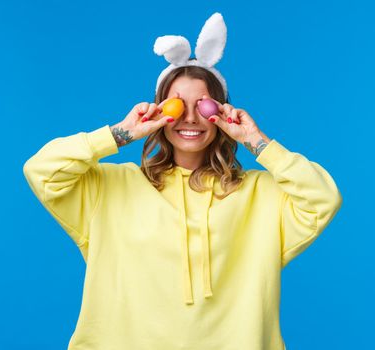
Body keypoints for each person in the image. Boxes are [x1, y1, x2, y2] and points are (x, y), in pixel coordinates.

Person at [23, 12, 342, 350]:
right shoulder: (110, 187)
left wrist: (256, 141)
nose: (189, 118)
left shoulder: (259, 194)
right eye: (177, 105)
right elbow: (42, 170)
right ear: (159, 111)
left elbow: (323, 198)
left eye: (202, 105)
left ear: (221, 112)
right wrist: (120, 135)